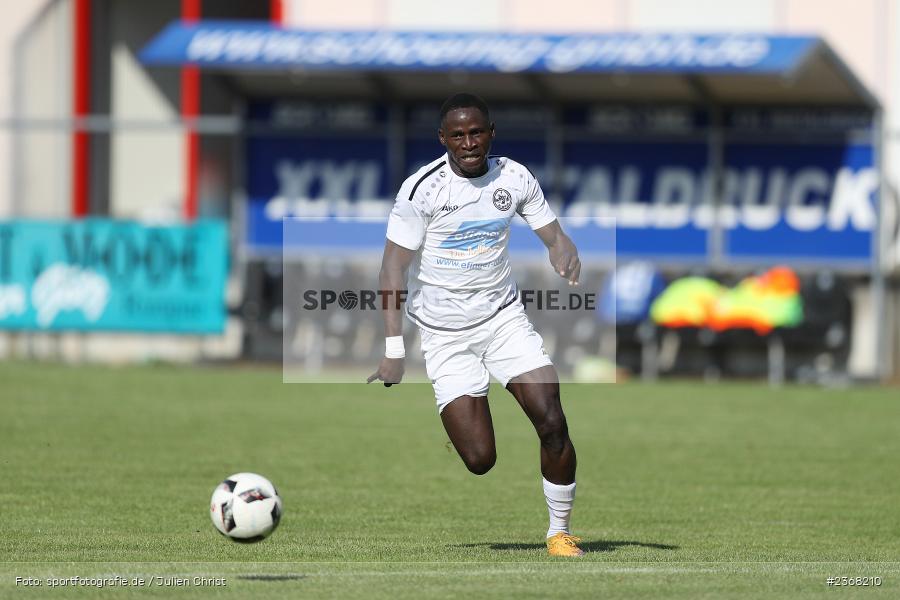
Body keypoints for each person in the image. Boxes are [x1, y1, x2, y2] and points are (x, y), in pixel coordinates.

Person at [367, 93, 583, 557]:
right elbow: (391, 270)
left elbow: (551, 231)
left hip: (504, 320)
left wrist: (561, 247)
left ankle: (559, 532)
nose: (469, 142)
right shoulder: (421, 189)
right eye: (458, 135)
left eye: (477, 131)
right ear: (443, 139)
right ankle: (464, 413)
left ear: (491, 132)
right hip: (445, 335)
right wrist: (392, 350)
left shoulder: (515, 176)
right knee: (481, 460)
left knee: (553, 420)